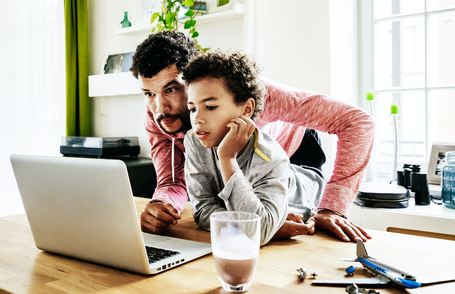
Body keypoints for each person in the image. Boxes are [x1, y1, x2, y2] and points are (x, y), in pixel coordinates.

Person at [130, 30, 373, 242]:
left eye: (171, 89)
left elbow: (356, 122)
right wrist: (161, 205)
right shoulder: (159, 115)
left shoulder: (253, 94)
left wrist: (333, 208)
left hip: (294, 157)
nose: (159, 108)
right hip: (232, 165)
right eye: (149, 94)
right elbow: (173, 182)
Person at [183, 50, 326, 245]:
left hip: (306, 185)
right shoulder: (195, 140)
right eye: (192, 108)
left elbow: (259, 231)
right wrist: (254, 226)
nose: (197, 119)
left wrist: (227, 159)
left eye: (210, 107)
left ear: (246, 109)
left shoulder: (272, 158)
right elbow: (202, 211)